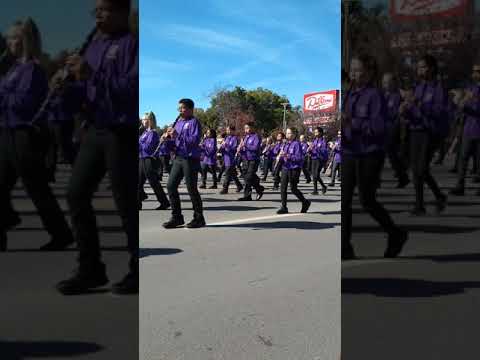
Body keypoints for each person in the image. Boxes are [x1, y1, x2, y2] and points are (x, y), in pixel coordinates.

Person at [52, 0, 139, 294]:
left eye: (103, 9)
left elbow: (130, 89)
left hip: (121, 131)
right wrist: (66, 88)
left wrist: (91, 74)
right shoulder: (94, 46)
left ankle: (137, 270)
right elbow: (85, 95)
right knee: (75, 193)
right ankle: (90, 268)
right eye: (96, 11)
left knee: (125, 203)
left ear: (121, 12)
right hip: (95, 128)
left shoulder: (133, 44)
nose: (98, 16)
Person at [0, 18, 74, 251]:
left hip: (24, 134)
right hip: (7, 132)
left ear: (26, 41)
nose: (10, 42)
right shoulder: (13, 68)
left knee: (37, 189)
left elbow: (24, 102)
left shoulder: (32, 70)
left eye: (15, 38)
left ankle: (61, 233)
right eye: (9, 37)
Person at [342, 53, 408, 260]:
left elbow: (379, 128)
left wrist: (353, 123)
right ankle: (344, 246)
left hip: (370, 153)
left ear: (370, 73)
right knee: (343, 201)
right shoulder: (349, 94)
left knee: (366, 200)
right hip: (349, 152)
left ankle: (395, 233)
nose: (354, 74)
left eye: (358, 70)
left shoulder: (375, 96)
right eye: (352, 69)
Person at [399, 54, 448, 216]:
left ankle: (420, 205)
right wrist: (405, 110)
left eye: (423, 67)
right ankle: (437, 197)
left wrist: (418, 104)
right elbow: (412, 111)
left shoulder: (438, 88)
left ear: (432, 68)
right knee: (418, 170)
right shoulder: (417, 87)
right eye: (418, 67)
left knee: (420, 168)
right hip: (415, 131)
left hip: (429, 132)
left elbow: (439, 111)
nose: (420, 70)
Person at [163, 98, 205, 228]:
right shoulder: (178, 123)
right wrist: (167, 140)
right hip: (178, 158)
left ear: (190, 109)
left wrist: (177, 135)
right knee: (170, 186)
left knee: (191, 188)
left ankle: (199, 218)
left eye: (183, 108)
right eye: (179, 108)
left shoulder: (194, 122)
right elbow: (174, 143)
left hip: (190, 158)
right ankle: (177, 217)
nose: (180, 111)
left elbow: (193, 141)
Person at [450, 60, 480, 196]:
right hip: (468, 129)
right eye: (474, 71)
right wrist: (459, 103)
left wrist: (466, 106)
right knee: (463, 158)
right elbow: (463, 106)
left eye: (477, 71)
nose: (475, 74)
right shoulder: (471, 88)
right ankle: (460, 185)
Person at [382, 72, 410, 188]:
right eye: (383, 82)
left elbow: (398, 113)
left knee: (391, 154)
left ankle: (402, 175)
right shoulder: (383, 95)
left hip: (393, 129)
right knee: (390, 155)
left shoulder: (398, 96)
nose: (385, 84)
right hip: (383, 128)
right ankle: (401, 175)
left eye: (387, 82)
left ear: (394, 83)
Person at [138, 112, 170, 210]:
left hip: (149, 159)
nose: (143, 121)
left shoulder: (153, 133)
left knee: (154, 183)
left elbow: (148, 147)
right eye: (143, 119)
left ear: (150, 120)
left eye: (145, 119)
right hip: (142, 158)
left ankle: (164, 202)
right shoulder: (144, 132)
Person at [277, 128, 311, 214]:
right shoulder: (285, 144)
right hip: (285, 167)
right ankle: (284, 207)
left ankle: (305, 202)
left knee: (293, 189)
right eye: (287, 133)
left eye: (289, 133)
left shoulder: (297, 144)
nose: (287, 135)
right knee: (283, 188)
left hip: (294, 168)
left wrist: (287, 155)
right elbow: (282, 155)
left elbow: (299, 158)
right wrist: (280, 157)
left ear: (294, 135)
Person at [237, 122, 265, 201]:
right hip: (246, 159)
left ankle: (247, 195)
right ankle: (259, 188)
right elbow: (244, 149)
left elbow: (255, 148)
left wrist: (245, 145)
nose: (246, 130)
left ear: (252, 128)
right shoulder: (246, 137)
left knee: (249, 177)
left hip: (253, 159)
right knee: (246, 176)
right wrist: (240, 151)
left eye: (247, 128)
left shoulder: (256, 137)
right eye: (245, 128)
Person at [219, 125, 243, 194]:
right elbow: (223, 147)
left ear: (233, 131)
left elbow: (234, 148)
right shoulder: (227, 137)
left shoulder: (235, 138)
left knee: (227, 174)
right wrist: (221, 148)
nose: (227, 131)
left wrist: (226, 145)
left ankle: (225, 188)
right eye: (227, 130)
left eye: (229, 130)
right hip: (226, 158)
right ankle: (239, 186)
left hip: (231, 159)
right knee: (232, 174)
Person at [309, 127, 328, 195]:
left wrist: (316, 148)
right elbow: (312, 150)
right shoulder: (315, 140)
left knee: (316, 174)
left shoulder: (323, 141)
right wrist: (310, 151)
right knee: (314, 175)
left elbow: (324, 151)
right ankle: (315, 190)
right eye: (315, 132)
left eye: (316, 132)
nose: (315, 133)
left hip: (320, 159)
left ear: (320, 133)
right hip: (314, 158)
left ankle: (323, 186)